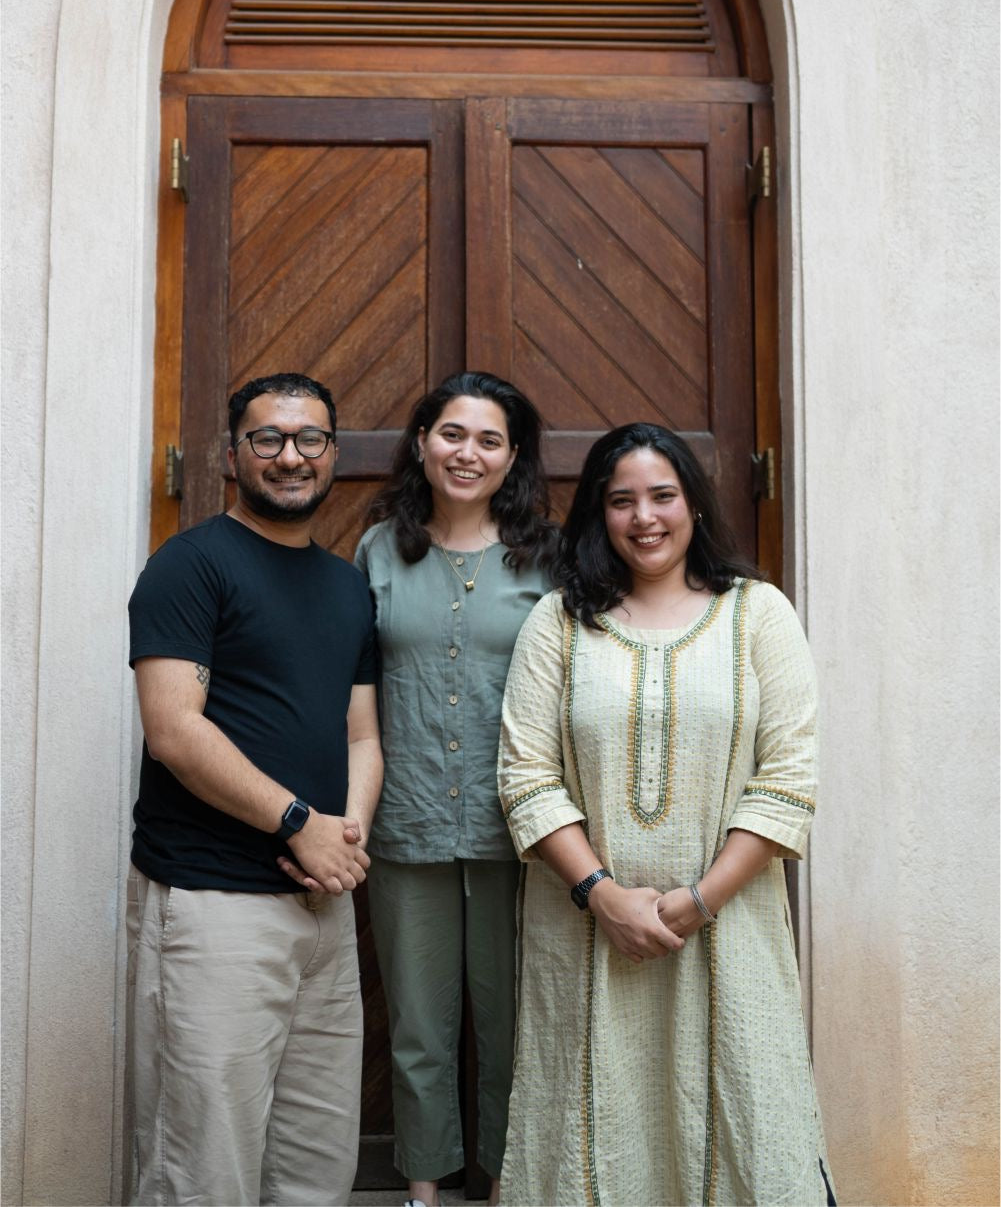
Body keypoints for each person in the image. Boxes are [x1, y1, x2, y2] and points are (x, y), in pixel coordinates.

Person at [497, 422, 835, 1207]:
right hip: (581, 931)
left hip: (730, 931)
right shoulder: (557, 622)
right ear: (596, 513)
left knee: (743, 1118)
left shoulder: (757, 614)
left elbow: (788, 779)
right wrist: (602, 895)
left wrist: (699, 899)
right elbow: (524, 775)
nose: (643, 517)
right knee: (584, 1129)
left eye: (661, 495)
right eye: (621, 501)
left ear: (692, 504)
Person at [285, 371, 557, 1207]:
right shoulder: (377, 551)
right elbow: (347, 690)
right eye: (451, 433)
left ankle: (511, 1178)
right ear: (422, 442)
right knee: (417, 1027)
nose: (466, 452)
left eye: (487, 439)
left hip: (521, 832)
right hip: (401, 826)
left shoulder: (545, 561)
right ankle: (425, 1186)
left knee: (514, 1021)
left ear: (512, 457)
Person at [126, 372, 383, 1206]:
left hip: (322, 908)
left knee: (313, 1167)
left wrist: (342, 841)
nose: (290, 456)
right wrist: (297, 822)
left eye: (309, 438)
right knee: (203, 1166)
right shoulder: (190, 565)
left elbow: (362, 733)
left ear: (333, 453)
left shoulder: (346, 584)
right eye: (267, 438)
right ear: (232, 455)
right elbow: (173, 729)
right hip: (213, 905)